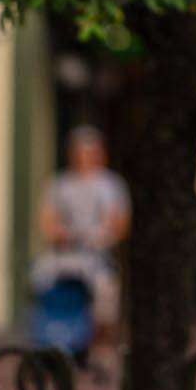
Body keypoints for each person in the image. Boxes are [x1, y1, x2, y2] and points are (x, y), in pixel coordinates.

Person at [36, 127, 131, 359]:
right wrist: (62, 234)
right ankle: (55, 342)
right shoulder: (60, 184)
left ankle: (101, 350)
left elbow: (118, 222)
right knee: (42, 280)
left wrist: (101, 236)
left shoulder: (110, 184)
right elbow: (48, 220)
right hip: (66, 255)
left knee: (104, 299)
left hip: (97, 256)